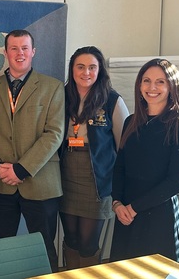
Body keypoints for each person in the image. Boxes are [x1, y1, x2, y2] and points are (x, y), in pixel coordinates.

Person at [0, 29, 65, 272]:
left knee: (45, 249)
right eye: (14, 48)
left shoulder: (53, 87)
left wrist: (22, 169)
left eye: (24, 48)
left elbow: (54, 134)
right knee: (0, 250)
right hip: (1, 183)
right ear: (5, 53)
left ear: (33, 52)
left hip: (41, 183)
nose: (19, 53)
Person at [110, 58, 179, 264]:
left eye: (160, 82)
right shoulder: (131, 122)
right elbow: (120, 167)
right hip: (126, 217)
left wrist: (133, 208)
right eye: (146, 81)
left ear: (171, 86)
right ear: (139, 86)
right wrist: (117, 203)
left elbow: (175, 182)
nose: (152, 87)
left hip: (159, 219)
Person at [59, 46, 129, 269]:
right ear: (72, 69)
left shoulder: (111, 100)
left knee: (88, 242)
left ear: (100, 71)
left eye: (92, 67)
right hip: (64, 173)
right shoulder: (60, 95)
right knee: (70, 238)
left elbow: (124, 146)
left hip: (97, 178)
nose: (86, 72)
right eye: (80, 67)